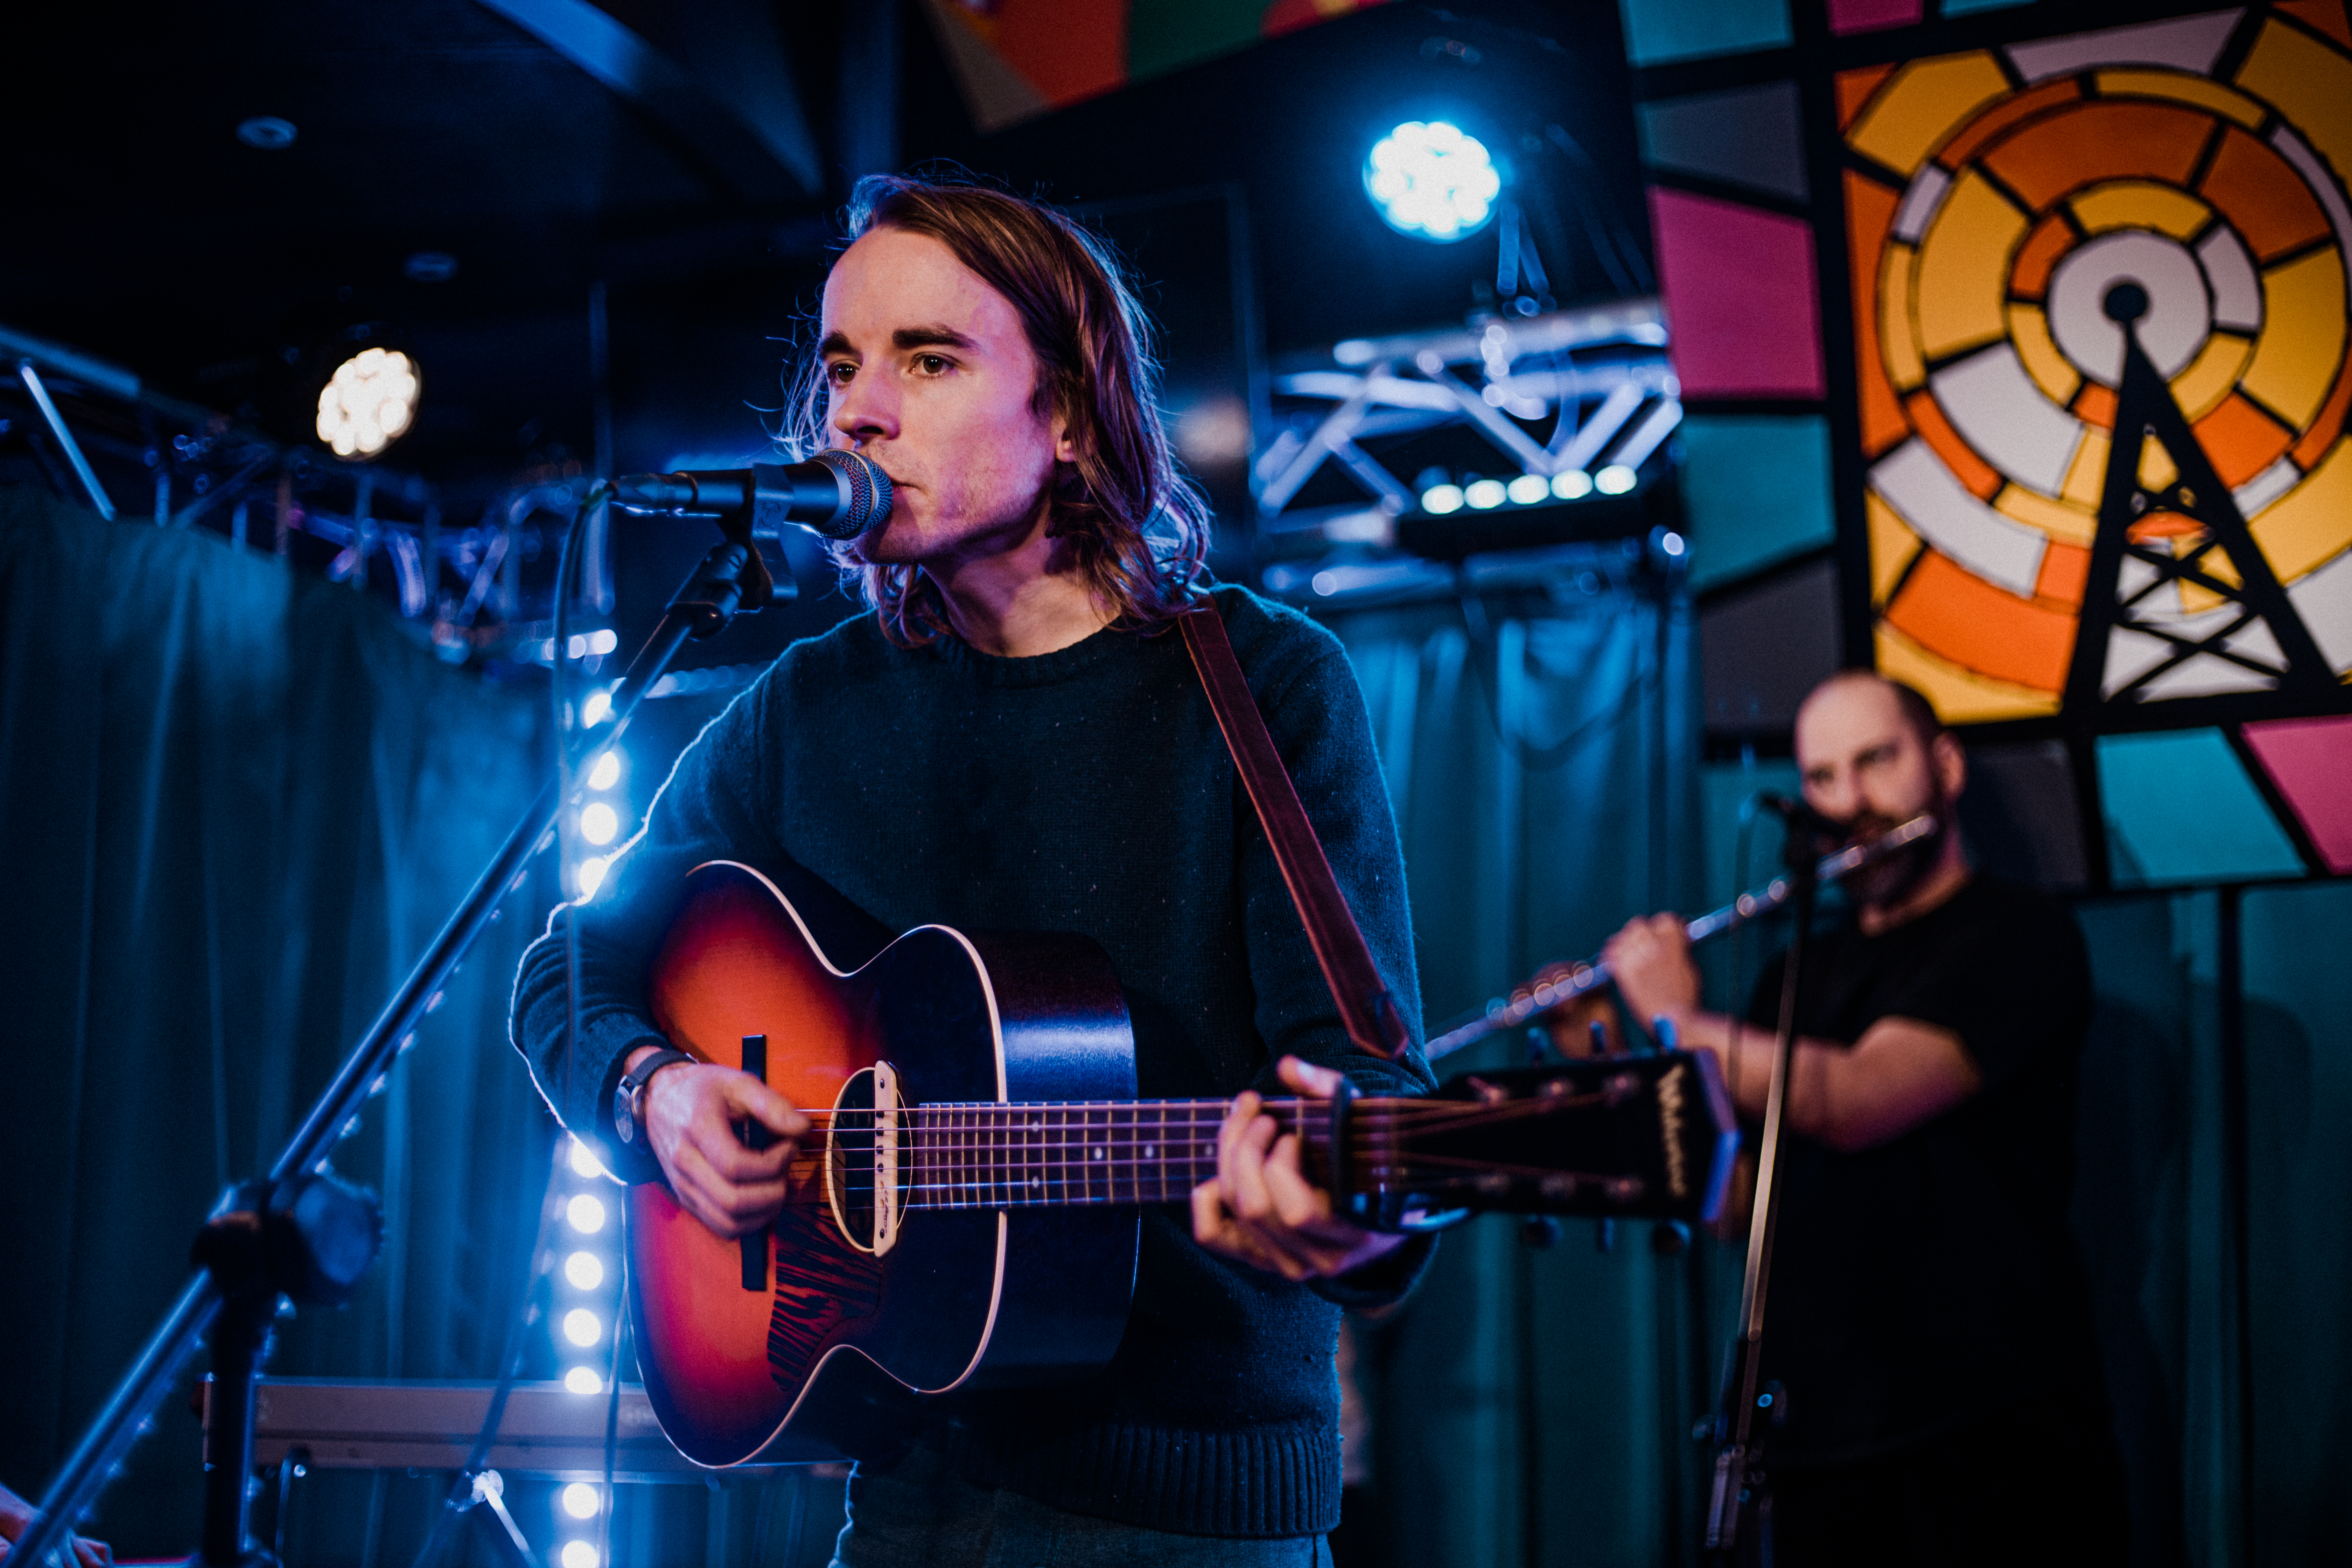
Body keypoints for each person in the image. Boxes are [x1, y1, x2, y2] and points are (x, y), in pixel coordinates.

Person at [511, 174, 1434, 1565]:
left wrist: (1348, 1215)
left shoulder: (1260, 686)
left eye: (927, 360)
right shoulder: (804, 708)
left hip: (1191, 1518)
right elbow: (565, 968)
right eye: (840, 366)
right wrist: (652, 1091)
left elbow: (1370, 1096)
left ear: (1065, 415)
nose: (857, 412)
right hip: (901, 1497)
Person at [1603, 670, 2126, 1565]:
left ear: (1946, 766)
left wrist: (1680, 1023)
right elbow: (1734, 1209)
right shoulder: (1794, 973)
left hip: (1988, 1430)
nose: (1853, 802)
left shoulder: (2015, 934)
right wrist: (1624, 1056)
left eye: (1877, 761)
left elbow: (1856, 1100)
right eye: (1823, 777)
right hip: (1818, 1443)